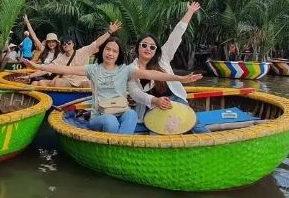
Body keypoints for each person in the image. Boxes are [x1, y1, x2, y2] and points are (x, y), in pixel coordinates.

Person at [22, 37, 202, 134]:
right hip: (100, 115)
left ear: (119, 54)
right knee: (109, 121)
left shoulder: (126, 70)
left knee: (131, 114)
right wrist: (38, 66)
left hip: (121, 113)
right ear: (103, 52)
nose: (110, 53)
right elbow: (59, 67)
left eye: (114, 51)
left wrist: (181, 79)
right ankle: (117, 147)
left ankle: (117, 147)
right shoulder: (93, 69)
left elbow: (152, 74)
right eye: (108, 49)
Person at [128, 1, 203, 125]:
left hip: (174, 99)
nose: (148, 49)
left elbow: (176, 35)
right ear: (137, 48)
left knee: (192, 122)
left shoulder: (163, 57)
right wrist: (155, 100)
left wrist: (189, 12)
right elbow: (136, 94)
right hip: (151, 105)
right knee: (161, 127)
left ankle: (206, 141)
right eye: (144, 45)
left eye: (152, 47)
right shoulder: (131, 69)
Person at [23, 21, 122, 87]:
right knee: (38, 82)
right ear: (61, 45)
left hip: (80, 81)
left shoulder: (82, 52)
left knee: (60, 82)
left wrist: (109, 32)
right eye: (64, 43)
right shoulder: (59, 57)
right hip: (63, 79)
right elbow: (48, 68)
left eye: (69, 43)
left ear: (73, 44)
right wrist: (29, 75)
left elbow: (97, 43)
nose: (66, 45)